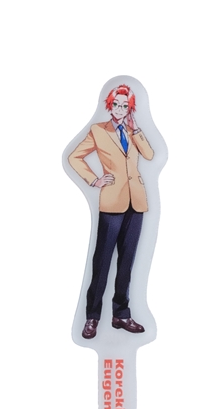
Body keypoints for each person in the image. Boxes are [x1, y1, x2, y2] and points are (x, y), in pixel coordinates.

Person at [68, 84, 154, 339]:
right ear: (109, 105)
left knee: (126, 263)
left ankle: (121, 315)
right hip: (112, 202)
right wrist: (94, 180)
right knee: (102, 262)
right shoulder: (99, 130)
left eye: (124, 106)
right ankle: (92, 317)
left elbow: (149, 155)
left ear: (130, 109)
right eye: (116, 104)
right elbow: (74, 157)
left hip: (136, 203)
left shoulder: (133, 130)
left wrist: (136, 129)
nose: (119, 109)